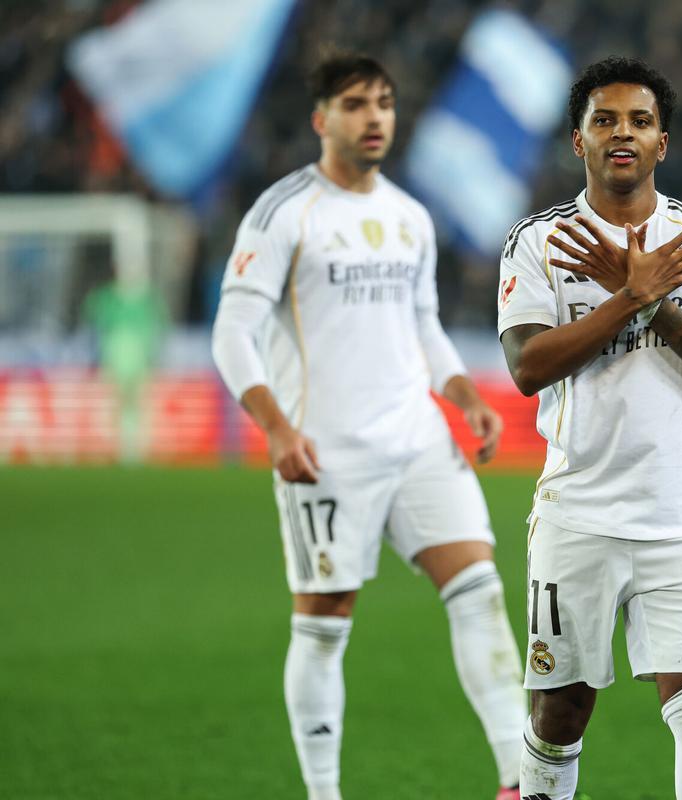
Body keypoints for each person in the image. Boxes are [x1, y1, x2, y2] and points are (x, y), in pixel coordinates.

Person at [211, 52, 525, 800]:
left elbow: (425, 324)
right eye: (355, 104)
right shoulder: (285, 212)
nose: (374, 116)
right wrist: (277, 429)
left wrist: (464, 396)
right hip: (328, 453)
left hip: (417, 439)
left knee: (480, 589)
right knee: (324, 625)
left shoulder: (410, 216)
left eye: (383, 102)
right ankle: (324, 793)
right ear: (322, 120)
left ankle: (522, 780)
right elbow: (231, 333)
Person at [497, 56, 682, 800]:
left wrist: (649, 300)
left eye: (640, 121)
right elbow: (528, 367)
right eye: (605, 120)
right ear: (577, 140)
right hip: (577, 515)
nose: (623, 133)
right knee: (560, 713)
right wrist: (626, 297)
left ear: (661, 143)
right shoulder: (538, 243)